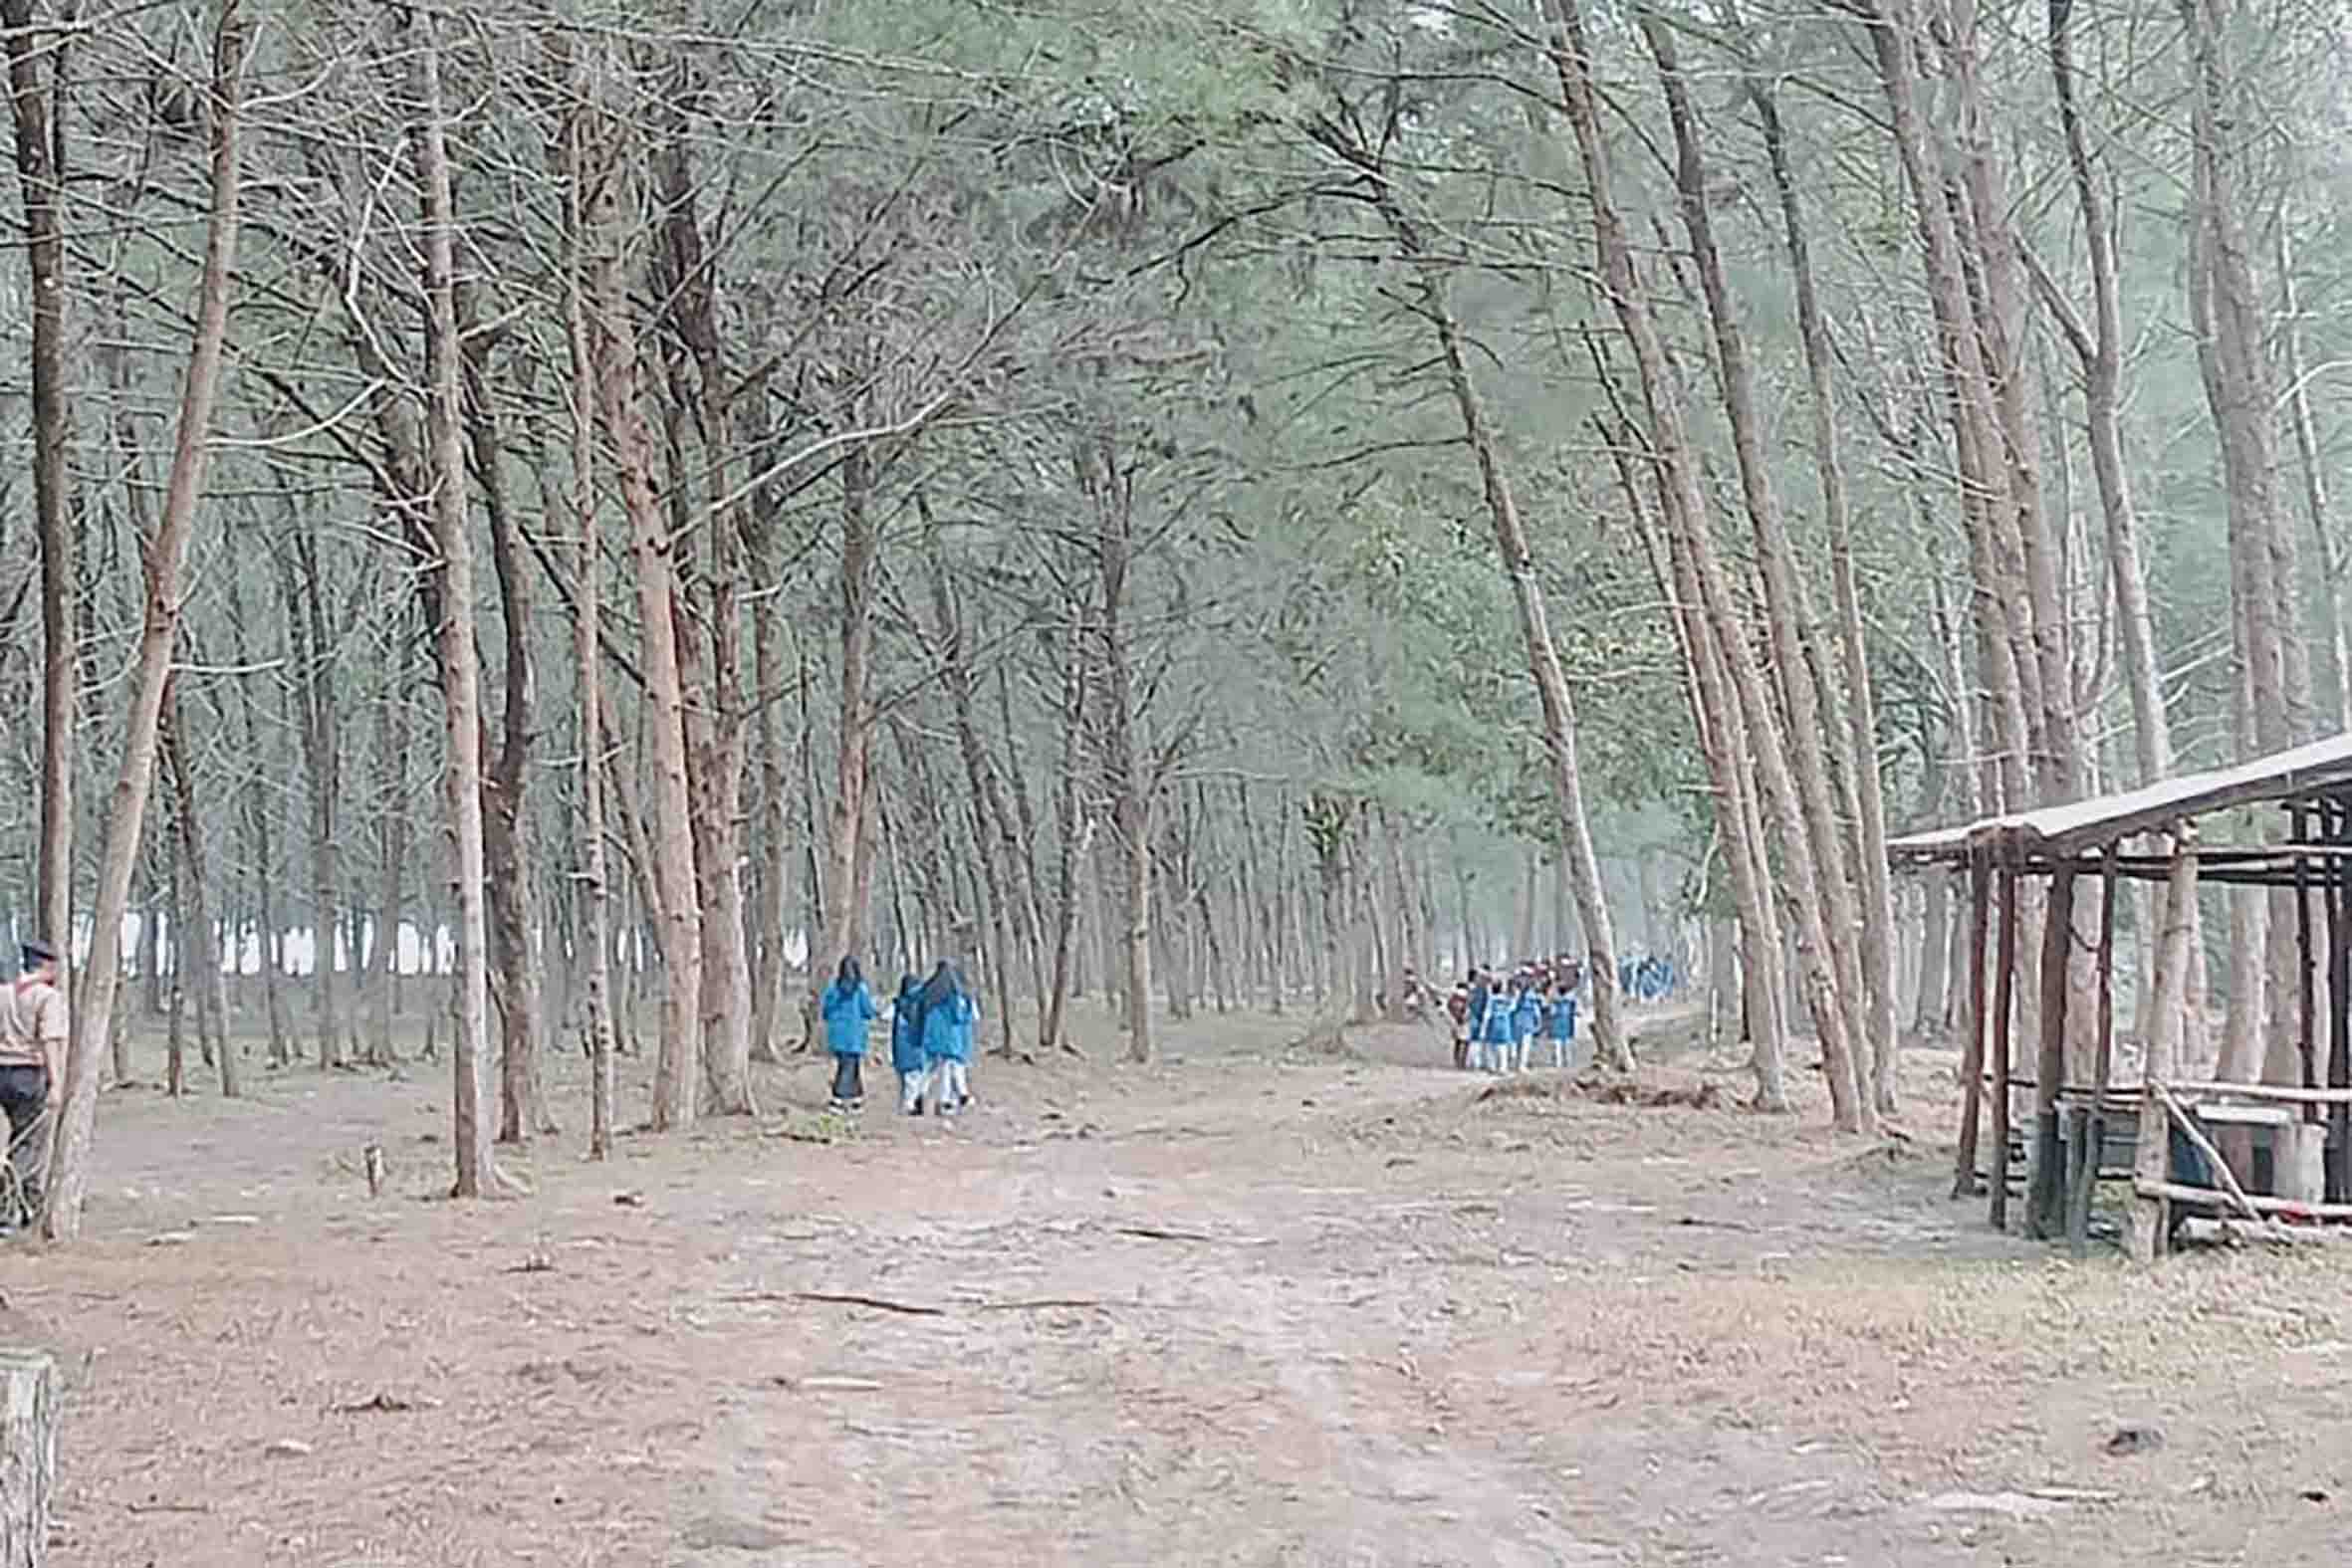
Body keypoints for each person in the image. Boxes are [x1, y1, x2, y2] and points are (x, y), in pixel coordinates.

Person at [0, 940, 66, 1229]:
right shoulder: (47, 997)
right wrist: (56, 1082)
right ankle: (14, 1209)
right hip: (27, 1073)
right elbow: (50, 1040)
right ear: (47, 966)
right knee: (27, 1142)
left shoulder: (3, 993)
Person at [917, 961, 977, 1118]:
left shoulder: (928, 991)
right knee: (946, 1068)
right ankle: (945, 1102)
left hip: (931, 1036)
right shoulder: (954, 995)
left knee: (930, 1069)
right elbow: (958, 1016)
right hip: (949, 1037)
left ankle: (920, 1093)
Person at [820, 956, 877, 1111]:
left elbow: (825, 1011)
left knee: (849, 1066)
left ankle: (856, 1097)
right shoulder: (861, 989)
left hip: (837, 1034)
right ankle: (838, 1098)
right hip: (855, 1034)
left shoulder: (833, 989)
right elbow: (868, 1011)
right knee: (848, 1067)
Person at [890, 973, 928, 1115]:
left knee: (905, 1079)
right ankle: (910, 1104)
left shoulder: (898, 1005)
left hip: (900, 1047)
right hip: (915, 1046)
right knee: (914, 1078)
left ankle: (906, 1104)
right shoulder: (920, 1005)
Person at [1511, 971, 1543, 1073]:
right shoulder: (1515, 993)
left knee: (1526, 1045)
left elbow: (1536, 1009)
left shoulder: (1531, 994)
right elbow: (1512, 1007)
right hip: (1517, 1021)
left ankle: (1522, 1065)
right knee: (1516, 1045)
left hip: (1528, 1022)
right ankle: (1515, 1064)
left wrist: (1538, 1021)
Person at [1546, 979, 1578, 1070]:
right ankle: (1565, 1061)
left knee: (1559, 1044)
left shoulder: (1556, 1001)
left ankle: (1559, 1062)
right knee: (1564, 1044)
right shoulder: (1569, 1001)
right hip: (1565, 1023)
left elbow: (1551, 1012)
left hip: (1559, 1023)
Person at [1445, 981, 1471, 1070]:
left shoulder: (1453, 997)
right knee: (1466, 1042)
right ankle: (1463, 1061)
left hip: (1455, 1019)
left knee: (1458, 1042)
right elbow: (1469, 1007)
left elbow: (1449, 1006)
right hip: (1465, 1020)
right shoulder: (1467, 996)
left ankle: (1456, 1060)